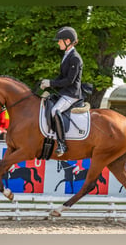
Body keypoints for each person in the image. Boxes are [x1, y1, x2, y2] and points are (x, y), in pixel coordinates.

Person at [40, 26, 83, 157]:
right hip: (64, 92)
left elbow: (70, 80)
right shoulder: (66, 56)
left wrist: (51, 83)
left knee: (55, 111)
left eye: (60, 41)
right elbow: (61, 77)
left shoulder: (75, 58)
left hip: (71, 94)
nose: (58, 43)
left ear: (68, 41)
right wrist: (48, 83)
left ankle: (62, 144)